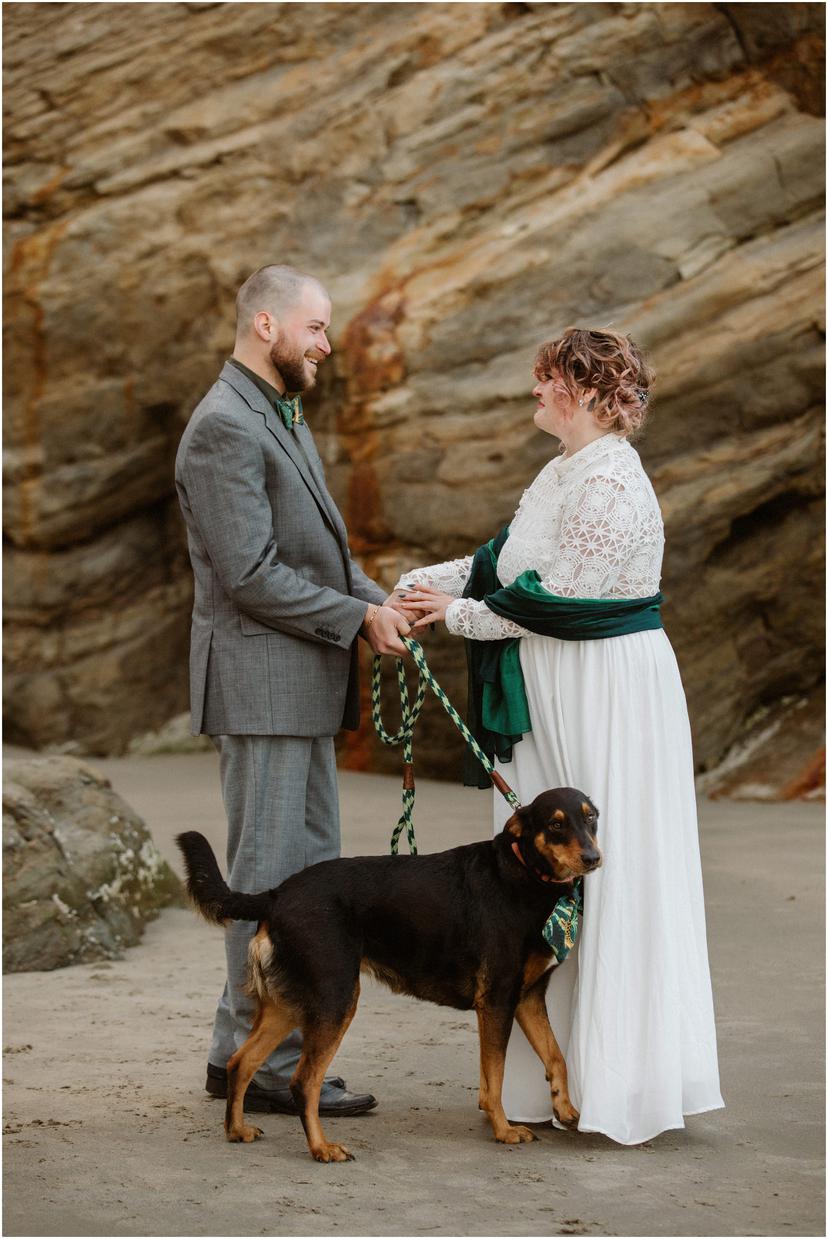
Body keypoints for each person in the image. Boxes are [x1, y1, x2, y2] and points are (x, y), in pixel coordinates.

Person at [394, 328, 724, 1145]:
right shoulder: (559, 472)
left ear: (578, 387)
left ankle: (622, 1081)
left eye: (544, 380)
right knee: (535, 877)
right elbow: (500, 564)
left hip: (605, 686)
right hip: (554, 685)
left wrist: (451, 617)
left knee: (610, 872)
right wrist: (414, 585)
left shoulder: (614, 482)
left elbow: (560, 597)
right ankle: (556, 1076)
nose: (534, 393)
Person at [175, 264, 410, 1116]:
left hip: (300, 686)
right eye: (316, 328)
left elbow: (320, 552)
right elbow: (249, 575)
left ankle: (239, 1053)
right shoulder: (221, 427)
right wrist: (354, 620)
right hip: (262, 686)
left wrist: (382, 601)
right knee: (271, 877)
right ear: (265, 323)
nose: (327, 345)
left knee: (304, 883)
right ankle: (262, 1067)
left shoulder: (279, 410)